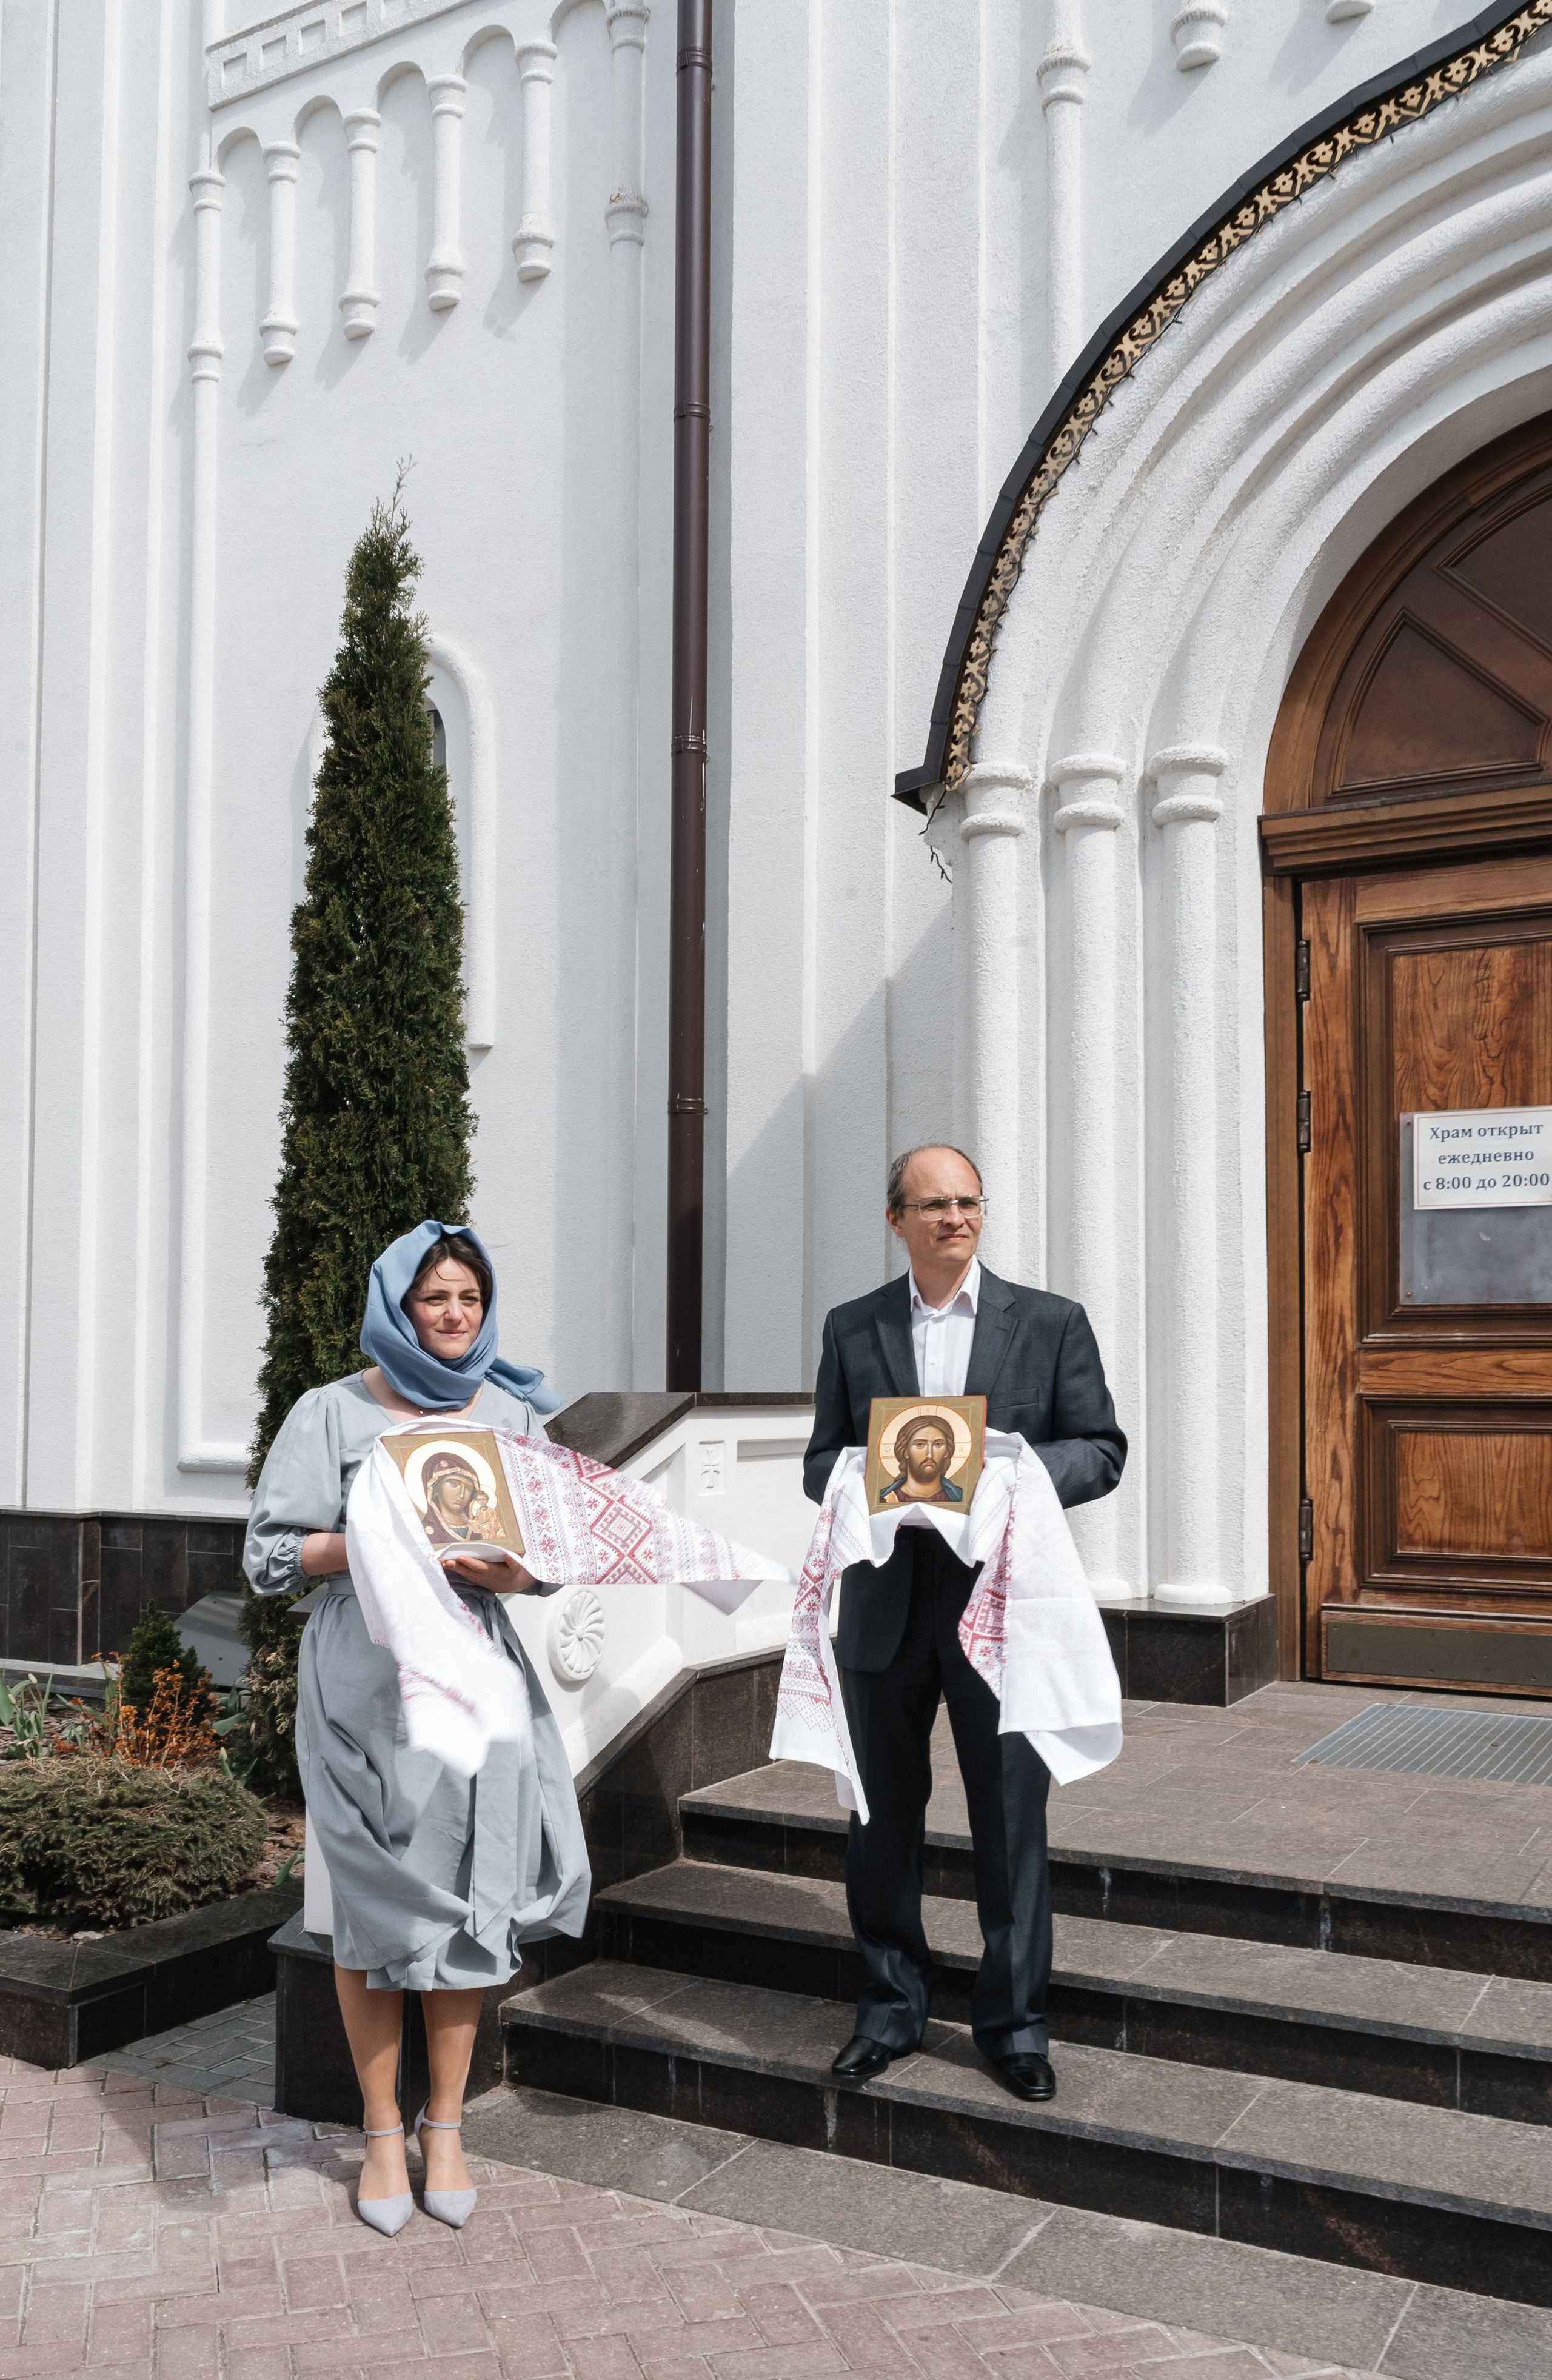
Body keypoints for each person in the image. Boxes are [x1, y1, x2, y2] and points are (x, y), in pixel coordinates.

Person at [244, 1220, 585, 2235]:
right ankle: (382, 2129)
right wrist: (373, 1542)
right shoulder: (330, 1411)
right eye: (434, 1297)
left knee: (469, 1899)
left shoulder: (513, 1415)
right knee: (369, 1909)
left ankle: (447, 2127)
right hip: (365, 1681)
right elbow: (266, 1559)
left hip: (474, 1681)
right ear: (399, 1305)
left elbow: (547, 1562)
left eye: (469, 1300)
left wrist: (511, 1571)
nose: (452, 1314)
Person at [804, 1145, 1125, 2104]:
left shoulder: (1051, 1321)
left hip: (1004, 1608)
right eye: (933, 1204)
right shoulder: (853, 1326)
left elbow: (1101, 1449)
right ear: (895, 1217)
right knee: (879, 1821)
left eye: (968, 1202)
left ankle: (1014, 2024)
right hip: (885, 1607)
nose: (954, 1217)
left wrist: (1019, 1473)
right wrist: (872, 1482)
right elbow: (821, 1453)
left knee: (1010, 1820)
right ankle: (890, 2008)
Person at [877, 1411, 964, 1506]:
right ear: (905, 1451)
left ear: (947, 1452)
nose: (930, 1455)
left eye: (938, 1444)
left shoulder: (960, 1498)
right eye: (920, 1445)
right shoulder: (886, 1500)